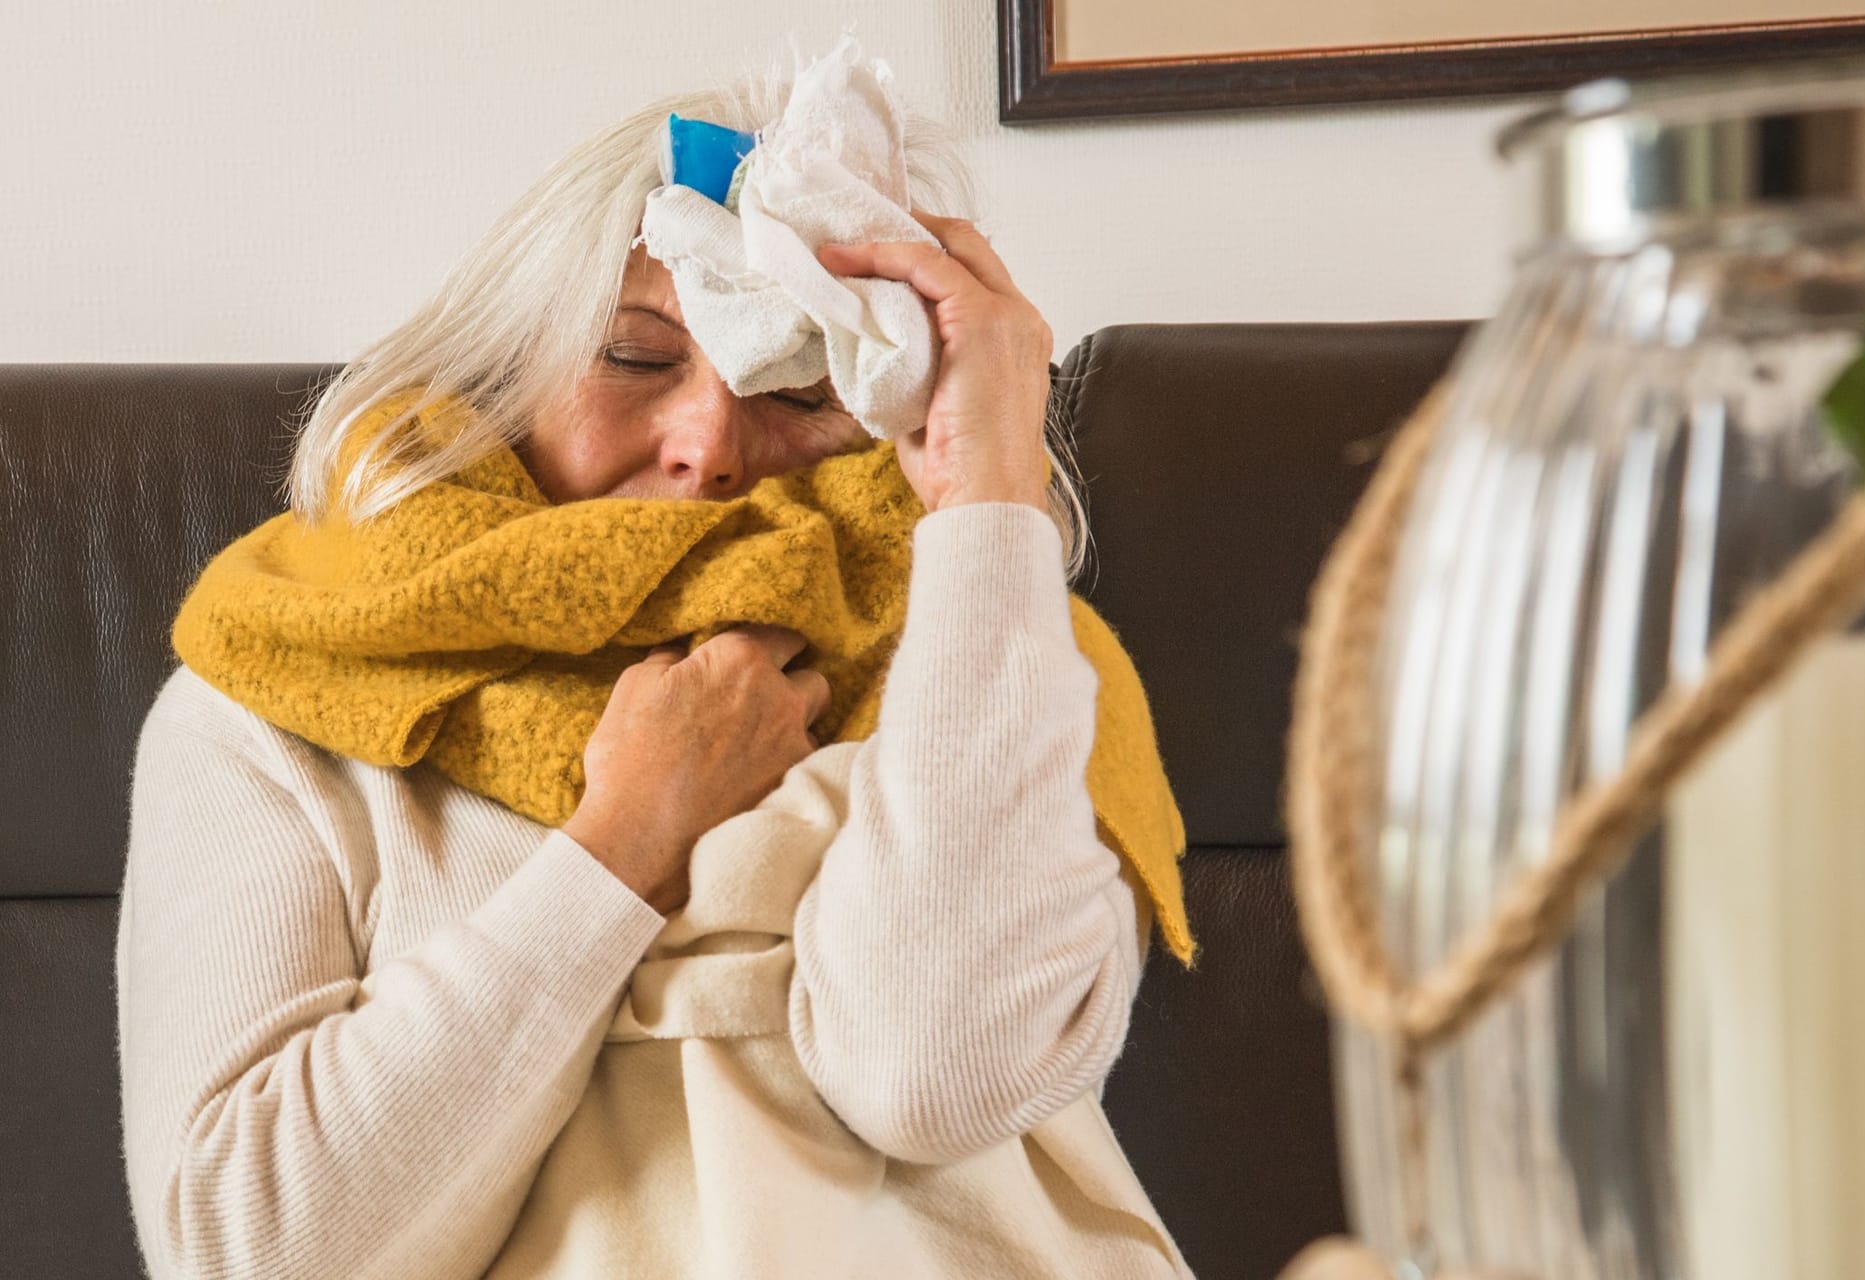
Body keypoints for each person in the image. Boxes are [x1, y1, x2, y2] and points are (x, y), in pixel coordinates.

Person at [117, 55, 1194, 1280]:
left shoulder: (1006, 653)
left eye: (799, 384)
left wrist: (992, 491)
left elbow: (940, 1074)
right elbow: (248, 1252)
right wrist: (627, 834)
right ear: (503, 367)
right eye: (635, 359)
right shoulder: (280, 684)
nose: (710, 448)